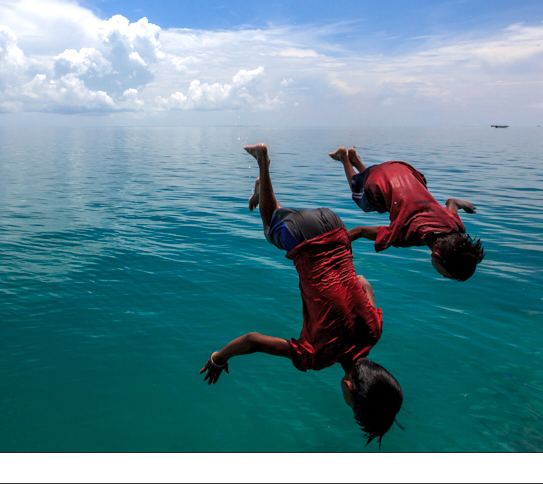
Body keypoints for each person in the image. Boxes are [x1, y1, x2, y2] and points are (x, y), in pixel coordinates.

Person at [199, 143, 403, 446]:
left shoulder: (374, 332)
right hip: (304, 239)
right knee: (271, 230)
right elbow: (253, 340)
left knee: (282, 227)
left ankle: (262, 190)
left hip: (334, 226)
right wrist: (218, 358)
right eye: (351, 405)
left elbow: (363, 282)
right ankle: (263, 161)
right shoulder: (315, 357)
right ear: (348, 387)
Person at [329, 146, 484, 281]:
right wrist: (331, 252)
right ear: (436, 256)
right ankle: (344, 158)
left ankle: (356, 160)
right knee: (364, 201)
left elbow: (452, 202)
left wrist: (464, 205)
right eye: (445, 275)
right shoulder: (407, 235)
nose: (442, 276)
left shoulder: (456, 227)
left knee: (386, 199)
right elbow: (359, 231)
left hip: (405, 170)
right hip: (379, 177)